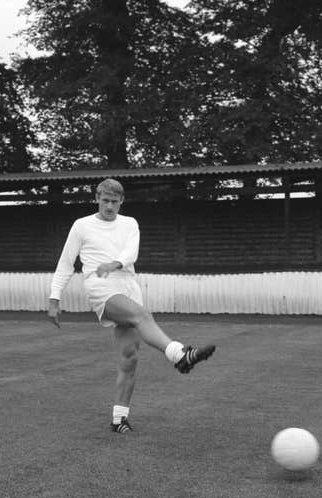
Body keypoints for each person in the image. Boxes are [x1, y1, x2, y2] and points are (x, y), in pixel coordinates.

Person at [48, 178, 216, 434]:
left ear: (121, 201)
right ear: (97, 198)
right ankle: (180, 355)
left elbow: (131, 254)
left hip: (128, 285)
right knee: (142, 316)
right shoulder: (81, 225)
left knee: (130, 357)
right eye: (105, 201)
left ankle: (119, 419)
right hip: (100, 286)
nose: (109, 207)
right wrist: (54, 298)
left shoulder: (130, 224)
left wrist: (114, 263)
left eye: (114, 202)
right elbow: (65, 263)